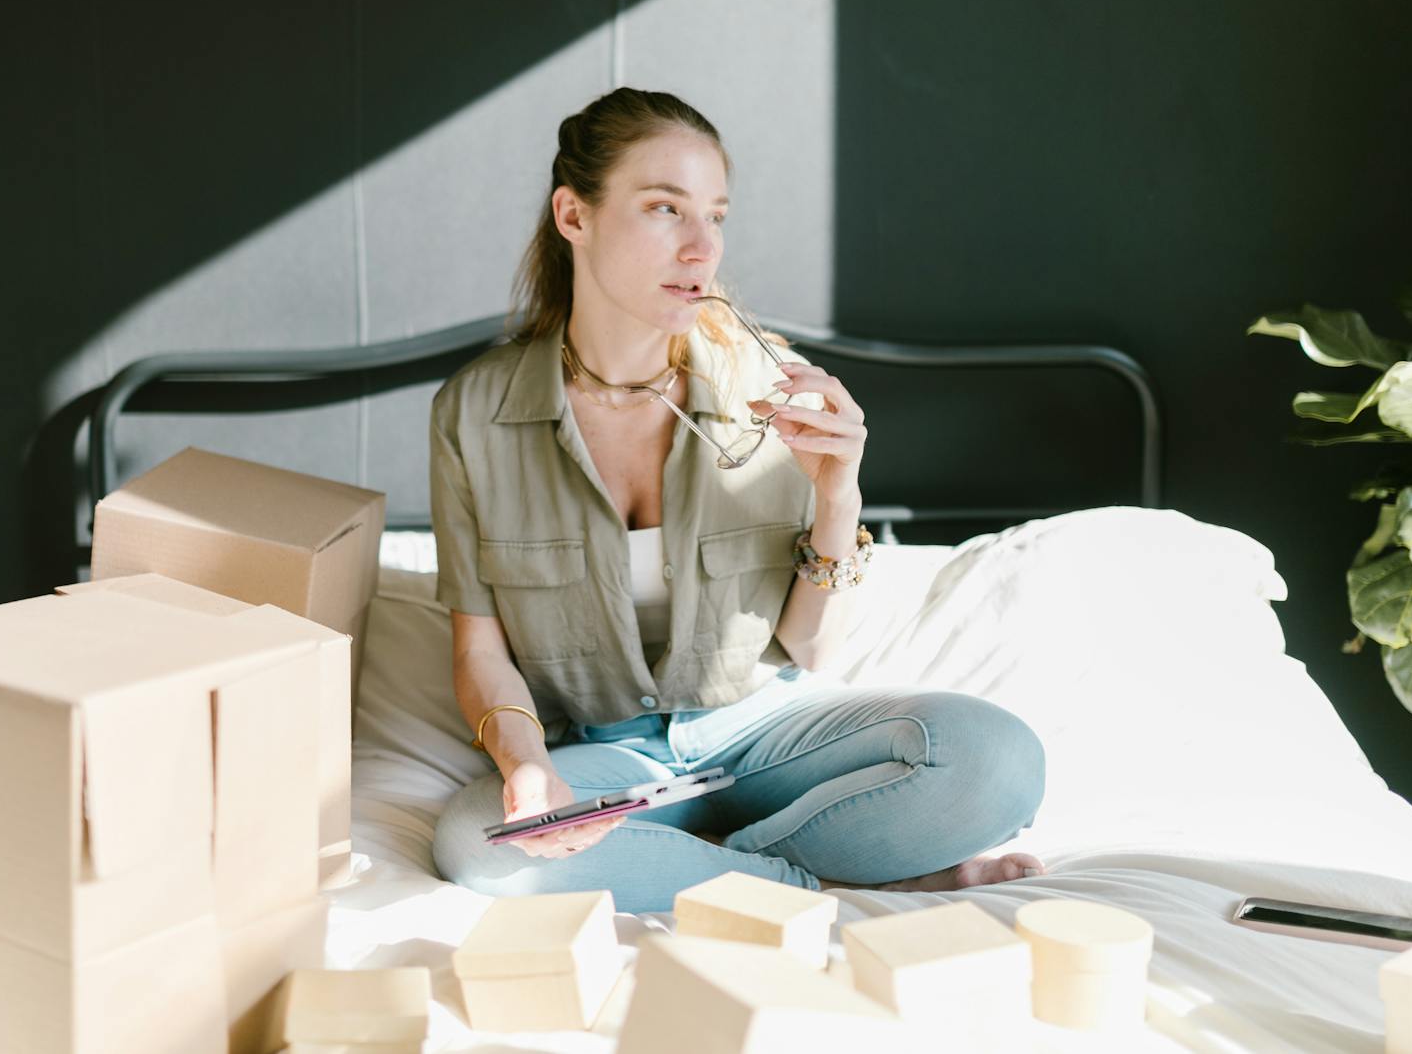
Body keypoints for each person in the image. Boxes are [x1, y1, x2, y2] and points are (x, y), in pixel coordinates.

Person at [428, 87, 1045, 914]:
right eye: (664, 209)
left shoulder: (770, 389)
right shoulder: (474, 412)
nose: (700, 247)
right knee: (476, 845)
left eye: (715, 216)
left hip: (764, 730)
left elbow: (811, 649)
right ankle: (826, 877)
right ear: (574, 215)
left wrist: (837, 494)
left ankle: (708, 868)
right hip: (605, 756)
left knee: (997, 756)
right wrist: (526, 763)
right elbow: (479, 651)